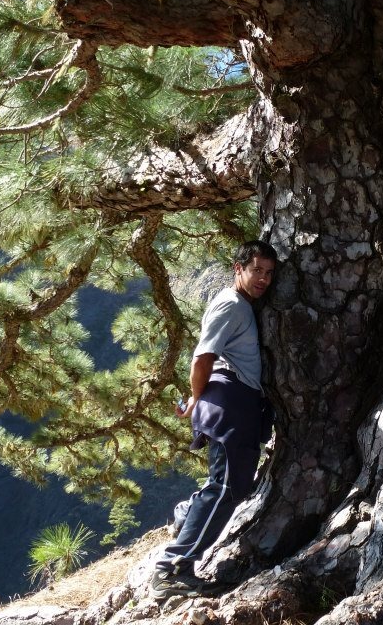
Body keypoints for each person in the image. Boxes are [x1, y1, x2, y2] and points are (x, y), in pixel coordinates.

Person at [151, 240, 278, 599]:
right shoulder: (231, 305)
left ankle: (185, 512)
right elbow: (203, 357)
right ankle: (171, 569)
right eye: (256, 270)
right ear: (238, 268)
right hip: (229, 403)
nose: (264, 279)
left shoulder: (243, 305)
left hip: (237, 405)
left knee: (232, 487)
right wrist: (194, 397)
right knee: (225, 488)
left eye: (269, 273)